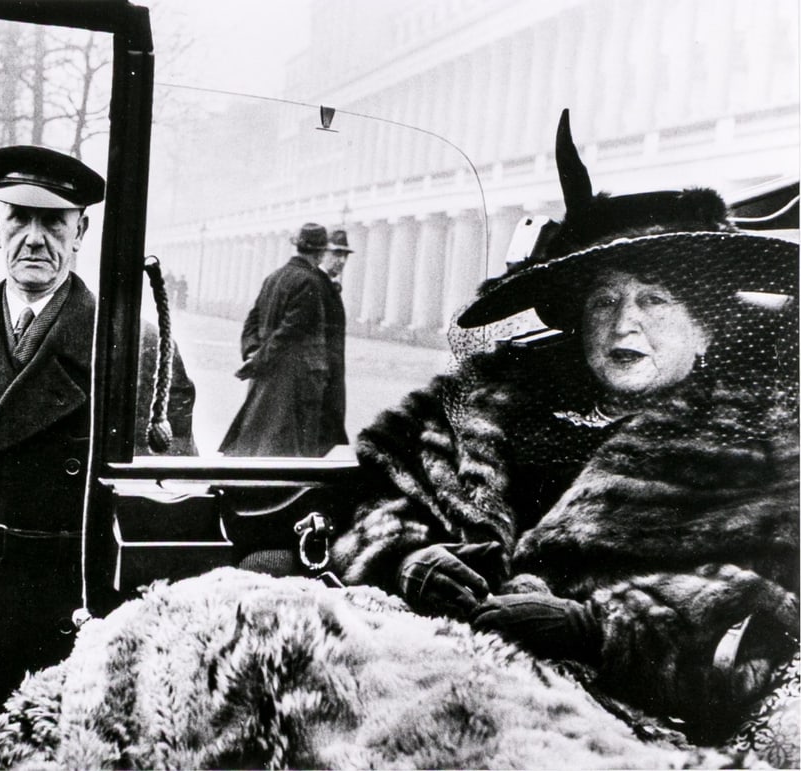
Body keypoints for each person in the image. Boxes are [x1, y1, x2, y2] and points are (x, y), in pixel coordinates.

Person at [330, 110, 799, 758]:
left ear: (708, 326)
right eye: (604, 301)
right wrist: (407, 560)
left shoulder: (764, 444)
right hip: (426, 667)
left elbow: (762, 623)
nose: (622, 324)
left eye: (654, 299)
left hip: (611, 718)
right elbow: (379, 505)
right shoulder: (488, 405)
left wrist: (595, 628)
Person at [0, 144, 196, 721]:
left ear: (81, 231)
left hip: (71, 615)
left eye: (54, 222)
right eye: (19, 218)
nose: (34, 239)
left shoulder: (131, 349)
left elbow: (165, 498)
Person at [220, 222, 335, 457]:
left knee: (255, 438)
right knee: (286, 448)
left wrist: (252, 352)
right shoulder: (310, 282)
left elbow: (251, 321)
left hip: (265, 374)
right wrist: (258, 360)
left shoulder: (273, 278)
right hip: (293, 379)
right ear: (321, 252)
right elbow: (290, 332)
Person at [318, 229, 352, 452]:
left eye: (344, 256)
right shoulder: (315, 284)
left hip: (332, 375)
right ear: (322, 253)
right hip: (321, 375)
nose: (341, 260)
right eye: (336, 254)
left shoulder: (329, 285)